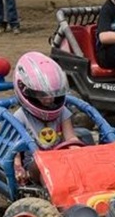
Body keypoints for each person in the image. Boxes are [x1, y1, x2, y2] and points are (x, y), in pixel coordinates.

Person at [8, 52, 77, 183]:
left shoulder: (63, 112)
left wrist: (77, 151)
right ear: (25, 90)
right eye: (42, 95)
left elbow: (71, 137)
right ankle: (55, 196)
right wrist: (18, 167)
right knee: (44, 170)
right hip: (35, 164)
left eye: (54, 94)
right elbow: (15, 150)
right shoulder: (20, 116)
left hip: (60, 158)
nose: (49, 99)